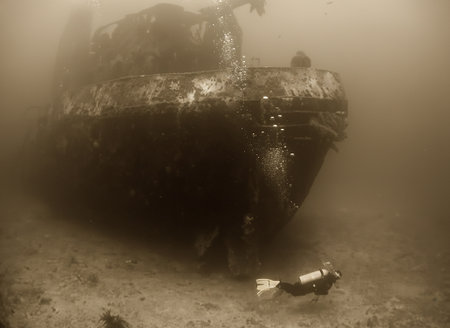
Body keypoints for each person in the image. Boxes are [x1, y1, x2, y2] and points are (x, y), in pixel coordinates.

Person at [256, 264, 341, 297]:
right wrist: (325, 293)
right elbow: (319, 291)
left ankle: (280, 286)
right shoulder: (329, 283)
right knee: (294, 292)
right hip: (307, 287)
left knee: (293, 289)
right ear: (337, 278)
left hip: (304, 281)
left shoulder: (326, 274)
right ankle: (279, 284)